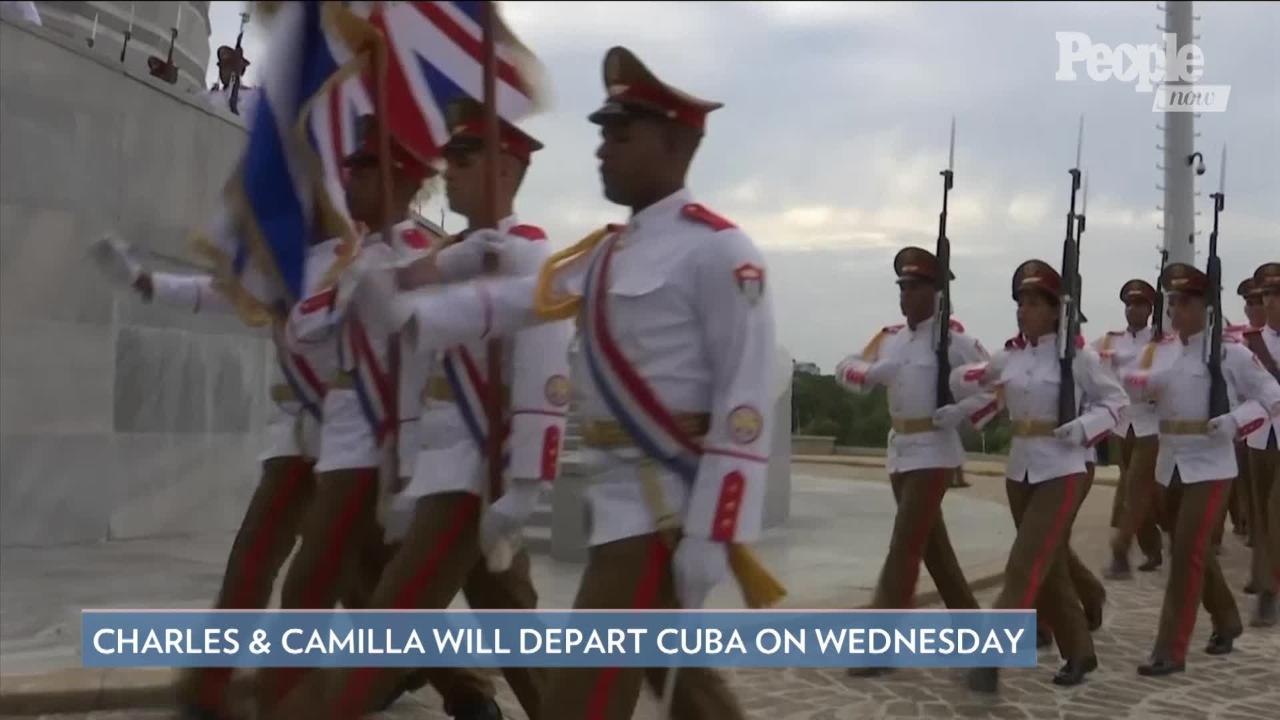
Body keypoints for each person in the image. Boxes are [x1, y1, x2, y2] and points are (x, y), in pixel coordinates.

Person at [367, 46, 780, 720]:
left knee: (579, 697)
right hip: (617, 502)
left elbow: (745, 402)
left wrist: (716, 529)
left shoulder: (721, 252)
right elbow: (514, 303)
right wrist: (417, 313)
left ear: (675, 143)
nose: (602, 148)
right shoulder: (604, 252)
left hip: (664, 506)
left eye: (621, 133)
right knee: (689, 692)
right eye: (601, 132)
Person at [266, 99, 571, 720]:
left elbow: (545, 375)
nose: (448, 170)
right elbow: (413, 365)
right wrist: (404, 468)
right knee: (513, 623)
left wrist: (526, 486)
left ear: (507, 171)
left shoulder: (529, 254)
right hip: (441, 466)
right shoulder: (447, 255)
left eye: (465, 157)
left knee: (388, 627)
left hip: (480, 474)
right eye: (449, 156)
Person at [88, 226, 336, 720]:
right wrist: (142, 280)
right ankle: (210, 687)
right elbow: (218, 295)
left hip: (359, 443)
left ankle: (457, 685)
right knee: (253, 557)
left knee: (375, 573)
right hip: (297, 433)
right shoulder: (287, 256)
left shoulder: (367, 256)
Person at [951, 259, 1127, 692]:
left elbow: (1117, 403)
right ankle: (1080, 651)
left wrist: (1085, 428)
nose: (1023, 309)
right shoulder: (1009, 355)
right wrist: (968, 374)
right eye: (1021, 301)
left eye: (1033, 302)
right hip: (1021, 469)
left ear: (1055, 310)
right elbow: (966, 383)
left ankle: (989, 658)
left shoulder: (1079, 358)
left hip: (1063, 468)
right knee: (1048, 567)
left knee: (1024, 564)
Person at [834, 246, 987, 677]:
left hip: (935, 451)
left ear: (936, 293)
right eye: (902, 287)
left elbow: (996, 389)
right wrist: (868, 374)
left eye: (915, 287)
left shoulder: (957, 342)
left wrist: (963, 413)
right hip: (900, 450)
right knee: (935, 552)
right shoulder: (889, 337)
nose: (905, 296)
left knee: (903, 546)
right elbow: (843, 367)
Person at [1121, 262, 1280, 676]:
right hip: (1170, 462)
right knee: (1192, 550)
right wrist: (1137, 385)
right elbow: (1141, 389)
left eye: (1185, 303)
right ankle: (1226, 618)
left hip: (1211, 464)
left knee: (1186, 554)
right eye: (1172, 302)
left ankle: (1170, 649)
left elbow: (1271, 395)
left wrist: (1235, 421)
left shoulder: (1232, 353)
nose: (1176, 310)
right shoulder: (1161, 349)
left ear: (1207, 308)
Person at [1098, 279, 1165, 578]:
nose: (1132, 310)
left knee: (1137, 486)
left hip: (1151, 423)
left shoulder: (1164, 341)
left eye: (1139, 304)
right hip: (1122, 423)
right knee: (1135, 490)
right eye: (1129, 304)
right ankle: (1151, 547)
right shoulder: (1111, 341)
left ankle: (1120, 549)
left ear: (1151, 309)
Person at [1242, 262, 1280, 626]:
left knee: (1275, 511)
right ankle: (1261, 575)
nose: (1273, 302)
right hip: (1259, 433)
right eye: (1267, 295)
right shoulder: (1248, 342)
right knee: (1259, 512)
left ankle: (1270, 591)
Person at [1228, 277, 1266, 543]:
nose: (1252, 307)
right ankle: (1252, 528)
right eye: (1248, 303)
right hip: (1250, 423)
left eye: (1258, 302)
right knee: (1249, 484)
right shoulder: (1240, 341)